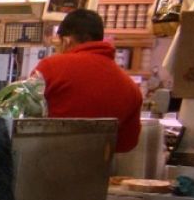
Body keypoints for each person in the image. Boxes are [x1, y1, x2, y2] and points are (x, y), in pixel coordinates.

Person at [34, 9, 143, 153]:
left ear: (66, 41)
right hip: (97, 165)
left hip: (43, 161)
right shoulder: (131, 87)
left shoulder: (50, 67)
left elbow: (21, 118)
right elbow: (126, 144)